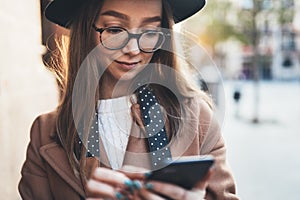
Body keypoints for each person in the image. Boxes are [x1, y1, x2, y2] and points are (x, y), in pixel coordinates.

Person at [19, 0, 239, 199]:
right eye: (115, 29)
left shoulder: (197, 117)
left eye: (150, 31)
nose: (133, 49)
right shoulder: (45, 133)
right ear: (86, 30)